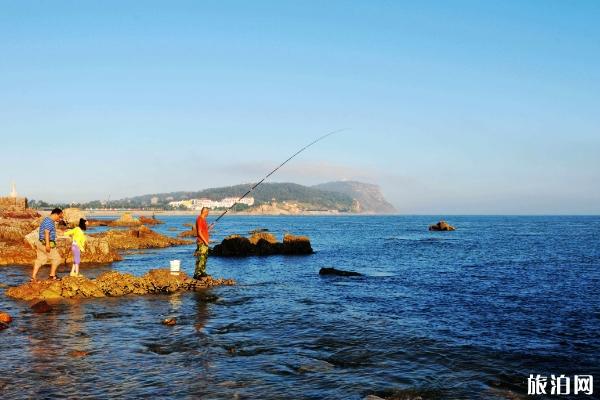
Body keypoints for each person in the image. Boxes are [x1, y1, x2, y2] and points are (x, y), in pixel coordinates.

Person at [32, 208, 64, 281]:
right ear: (56, 214)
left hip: (40, 242)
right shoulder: (49, 221)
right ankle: (52, 276)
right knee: (57, 258)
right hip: (45, 243)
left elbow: (48, 231)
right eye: (60, 216)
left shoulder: (48, 220)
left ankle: (33, 277)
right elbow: (46, 232)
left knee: (40, 259)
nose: (60, 218)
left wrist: (57, 233)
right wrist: (47, 244)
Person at [194, 207, 212, 279]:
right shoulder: (200, 219)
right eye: (208, 212)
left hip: (204, 242)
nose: (208, 214)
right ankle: (198, 274)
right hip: (201, 242)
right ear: (205, 212)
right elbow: (199, 232)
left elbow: (204, 230)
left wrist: (209, 228)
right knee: (201, 257)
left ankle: (202, 272)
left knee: (204, 257)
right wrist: (205, 241)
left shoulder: (203, 220)